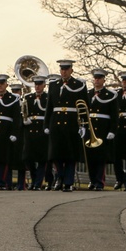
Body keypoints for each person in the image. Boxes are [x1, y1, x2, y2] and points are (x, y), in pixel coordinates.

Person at [45, 60, 87, 191]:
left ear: (71, 70)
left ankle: (68, 181)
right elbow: (49, 107)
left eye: (66, 69)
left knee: (70, 154)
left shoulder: (79, 84)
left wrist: (84, 125)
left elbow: (84, 106)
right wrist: (46, 124)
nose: (64, 71)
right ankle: (60, 177)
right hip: (56, 121)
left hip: (71, 122)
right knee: (56, 154)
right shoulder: (53, 85)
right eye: (62, 69)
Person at [85, 69, 118, 190]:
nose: (97, 80)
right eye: (95, 78)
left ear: (104, 80)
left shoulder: (110, 95)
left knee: (100, 158)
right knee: (90, 157)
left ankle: (99, 182)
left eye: (99, 78)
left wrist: (112, 130)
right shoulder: (88, 94)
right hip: (90, 129)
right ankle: (92, 180)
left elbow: (114, 115)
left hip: (103, 129)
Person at [22, 76, 50, 190]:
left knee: (42, 159)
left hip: (42, 130)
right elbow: (23, 112)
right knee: (28, 158)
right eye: (36, 84)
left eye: (40, 84)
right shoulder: (28, 97)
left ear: (44, 85)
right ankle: (34, 180)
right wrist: (24, 119)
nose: (37, 86)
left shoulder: (48, 98)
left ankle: (37, 183)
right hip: (31, 130)